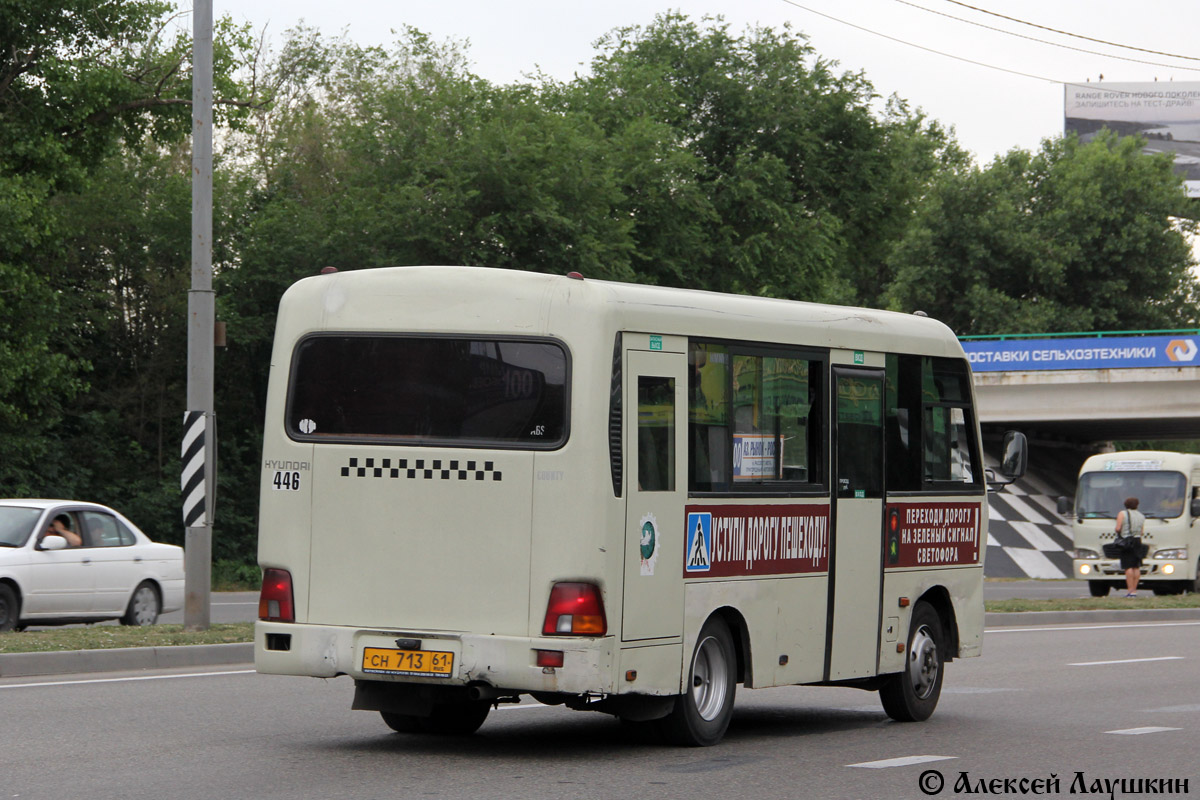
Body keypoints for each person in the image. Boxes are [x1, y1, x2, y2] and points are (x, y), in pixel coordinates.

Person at [1114, 497, 1145, 598]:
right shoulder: (1141, 516)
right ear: (1137, 505)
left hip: (1127, 541)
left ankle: (1129, 590)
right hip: (1137, 541)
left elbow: (1118, 528)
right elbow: (1142, 532)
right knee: (1136, 566)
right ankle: (1134, 591)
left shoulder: (1122, 513)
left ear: (1125, 504)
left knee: (1128, 566)